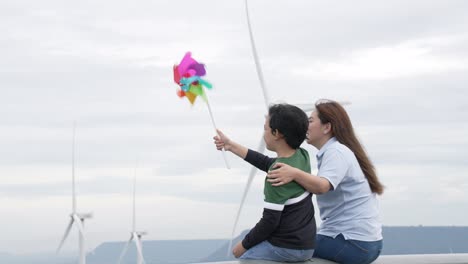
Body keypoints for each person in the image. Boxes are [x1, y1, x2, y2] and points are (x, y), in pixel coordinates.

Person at [264, 99, 384, 264]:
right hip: (363, 243)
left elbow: (322, 186)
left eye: (311, 120)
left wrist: (294, 173)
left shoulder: (336, 152)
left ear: (327, 127)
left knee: (287, 249)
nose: (306, 125)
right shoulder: (337, 151)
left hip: (352, 242)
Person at [214, 103, 317, 262]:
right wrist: (230, 145)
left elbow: (269, 221)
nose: (263, 134)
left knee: (247, 258)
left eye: (265, 128)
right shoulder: (302, 156)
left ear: (276, 133)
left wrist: (243, 245)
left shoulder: (276, 175)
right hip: (307, 246)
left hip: (286, 248)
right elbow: (265, 161)